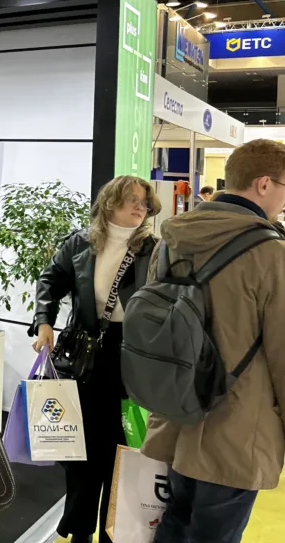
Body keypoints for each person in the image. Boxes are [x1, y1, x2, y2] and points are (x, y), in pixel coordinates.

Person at [143, 139, 285, 543]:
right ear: (263, 184)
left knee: (173, 525)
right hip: (238, 432)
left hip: (174, 417)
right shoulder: (272, 253)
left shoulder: (170, 241)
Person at [31, 176, 161, 543]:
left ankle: (113, 532)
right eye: (131, 199)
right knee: (81, 450)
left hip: (132, 358)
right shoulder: (81, 242)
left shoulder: (154, 249)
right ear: (109, 202)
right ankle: (79, 529)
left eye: (144, 202)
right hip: (85, 356)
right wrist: (44, 322)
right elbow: (50, 282)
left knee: (124, 451)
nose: (139, 207)